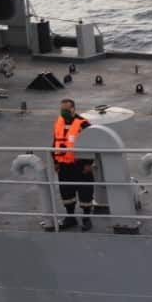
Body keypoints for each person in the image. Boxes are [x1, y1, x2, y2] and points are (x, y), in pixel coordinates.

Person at [52, 98, 94, 231]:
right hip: (64, 166)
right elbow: (55, 142)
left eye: (66, 109)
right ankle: (70, 217)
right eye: (62, 109)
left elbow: (91, 144)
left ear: (73, 109)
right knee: (66, 193)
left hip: (80, 166)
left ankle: (86, 218)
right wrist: (55, 161)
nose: (63, 112)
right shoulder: (59, 122)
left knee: (85, 193)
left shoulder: (83, 124)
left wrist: (88, 163)